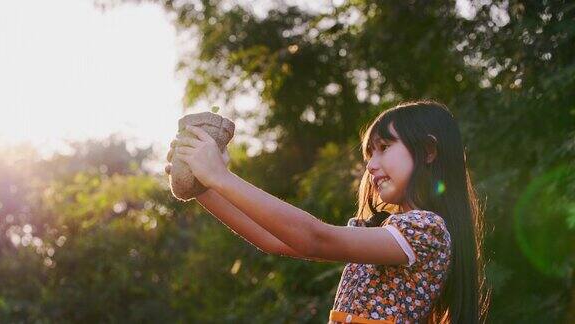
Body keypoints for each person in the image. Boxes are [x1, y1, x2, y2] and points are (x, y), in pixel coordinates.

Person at [165, 100, 490, 323]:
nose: (371, 165)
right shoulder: (382, 233)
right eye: (369, 155)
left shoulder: (426, 231)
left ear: (429, 151)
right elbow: (275, 240)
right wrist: (205, 189)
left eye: (384, 148)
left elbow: (313, 238)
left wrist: (221, 177)